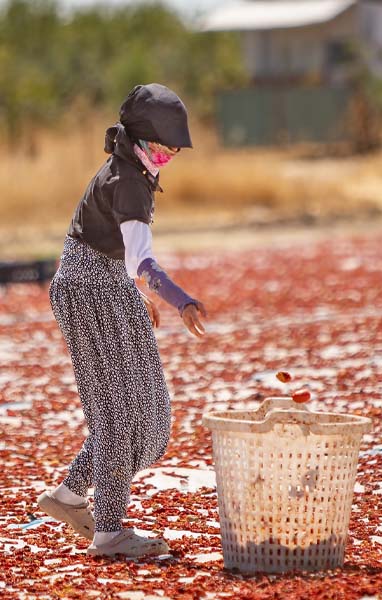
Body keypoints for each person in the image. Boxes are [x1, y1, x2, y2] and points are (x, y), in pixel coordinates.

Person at [37, 83, 207, 558]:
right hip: (88, 292)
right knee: (117, 417)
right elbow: (142, 259)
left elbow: (114, 249)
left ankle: (68, 497)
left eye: (175, 148)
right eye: (165, 146)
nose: (170, 154)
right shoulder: (128, 178)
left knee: (151, 417)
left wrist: (132, 294)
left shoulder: (133, 169)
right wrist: (180, 299)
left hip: (109, 285)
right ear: (142, 140)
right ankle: (108, 531)